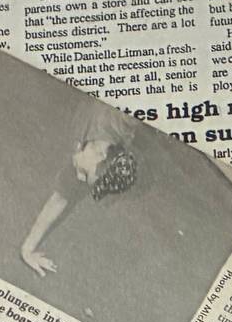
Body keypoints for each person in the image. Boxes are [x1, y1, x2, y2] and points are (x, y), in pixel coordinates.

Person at [19, 99, 141, 276]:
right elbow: (60, 197)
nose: (80, 177)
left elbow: (62, 197)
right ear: (100, 155)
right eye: (85, 173)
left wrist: (28, 249)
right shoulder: (91, 122)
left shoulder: (120, 136)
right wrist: (27, 250)